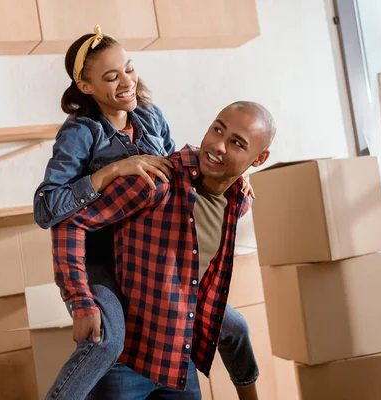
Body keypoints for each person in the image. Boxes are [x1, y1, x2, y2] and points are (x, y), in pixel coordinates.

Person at [34, 25, 256, 399]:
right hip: (100, 258)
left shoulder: (150, 116)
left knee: (231, 324)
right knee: (108, 340)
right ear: (86, 87)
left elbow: (177, 171)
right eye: (111, 76)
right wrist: (108, 172)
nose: (126, 81)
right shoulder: (81, 133)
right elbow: (47, 209)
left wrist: (234, 178)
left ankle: (248, 390)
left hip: (145, 253)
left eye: (129, 68)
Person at [51, 101, 276, 399]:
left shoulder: (239, 201)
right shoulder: (156, 182)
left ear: (259, 158)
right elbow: (69, 221)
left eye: (236, 143)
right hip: (125, 362)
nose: (219, 145)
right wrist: (80, 300)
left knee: (236, 327)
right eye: (217, 129)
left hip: (174, 359)